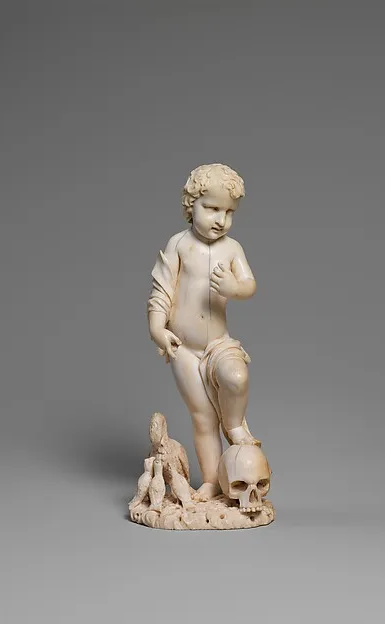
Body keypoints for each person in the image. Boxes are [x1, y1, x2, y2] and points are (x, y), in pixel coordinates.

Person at [147, 163, 260, 501]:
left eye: (229, 212)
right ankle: (211, 480)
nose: (220, 219)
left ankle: (235, 423)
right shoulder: (179, 245)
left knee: (236, 377)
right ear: (190, 205)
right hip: (183, 347)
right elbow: (162, 290)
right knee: (203, 417)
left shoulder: (232, 248)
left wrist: (233, 288)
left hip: (218, 344)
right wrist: (157, 328)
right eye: (211, 208)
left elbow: (249, 284)